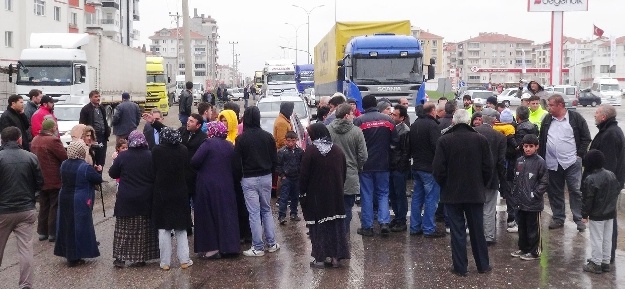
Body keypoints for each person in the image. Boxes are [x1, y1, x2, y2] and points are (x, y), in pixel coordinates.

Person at [432, 109, 493, 276]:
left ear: (453, 121)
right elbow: (488, 167)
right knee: (477, 230)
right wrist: (482, 184)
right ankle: (483, 264)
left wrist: (445, 184)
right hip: (474, 192)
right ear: (468, 122)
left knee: (457, 231)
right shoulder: (481, 139)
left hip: (452, 193)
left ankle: (460, 267)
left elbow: (438, 170)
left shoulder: (444, 141)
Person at [538, 94, 591, 231]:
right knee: (554, 191)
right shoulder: (547, 119)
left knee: (575, 190)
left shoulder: (575, 118)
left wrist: (579, 155)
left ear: (560, 105)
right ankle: (558, 217)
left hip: (572, 162)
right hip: (552, 163)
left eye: (551, 105)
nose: (548, 108)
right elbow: (542, 138)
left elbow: (586, 138)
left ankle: (578, 219)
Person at [300, 123, 349, 268]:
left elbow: (304, 176)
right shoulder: (338, 150)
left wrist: (302, 193)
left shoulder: (310, 152)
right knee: (335, 226)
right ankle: (335, 258)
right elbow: (343, 173)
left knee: (318, 227)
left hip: (316, 198)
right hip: (335, 196)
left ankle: (320, 259)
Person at [108, 131, 159, 268]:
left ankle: (120, 258)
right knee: (142, 230)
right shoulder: (150, 156)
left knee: (124, 231)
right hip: (145, 198)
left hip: (126, 198)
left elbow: (112, 173)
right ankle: (140, 258)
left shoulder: (123, 156)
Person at [0, 127, 43, 289]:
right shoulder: (31, 157)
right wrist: (33, 198)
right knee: (25, 249)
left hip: (3, 210)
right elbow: (40, 182)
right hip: (26, 209)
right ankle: (26, 285)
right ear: (19, 139)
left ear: (2, 140)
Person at [191, 122, 241, 259]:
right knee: (226, 215)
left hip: (208, 185)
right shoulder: (229, 145)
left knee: (208, 215)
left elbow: (195, 161)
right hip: (227, 184)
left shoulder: (208, 143)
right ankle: (230, 247)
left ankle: (211, 248)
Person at [235, 106, 280, 257]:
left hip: (248, 178)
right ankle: (272, 243)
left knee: (254, 213)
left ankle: (258, 246)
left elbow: (236, 162)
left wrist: (238, 176)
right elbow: (275, 159)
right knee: (266, 210)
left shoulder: (241, 139)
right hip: (266, 176)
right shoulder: (268, 137)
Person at [353, 95, 398, 237]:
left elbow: (355, 143)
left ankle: (368, 226)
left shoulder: (359, 121)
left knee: (367, 194)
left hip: (365, 164)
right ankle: (384, 222)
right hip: (383, 163)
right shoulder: (388, 120)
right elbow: (395, 142)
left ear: (364, 106)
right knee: (383, 193)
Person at [54, 141, 102, 267]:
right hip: (79, 198)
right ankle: (77, 254)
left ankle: (68, 253)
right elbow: (97, 179)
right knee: (80, 226)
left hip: (64, 196)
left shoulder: (64, 164)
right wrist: (97, 170)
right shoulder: (84, 166)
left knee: (66, 225)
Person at [151, 127, 192, 270]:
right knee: (181, 228)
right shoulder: (183, 150)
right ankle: (184, 260)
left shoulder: (156, 151)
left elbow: (153, 170)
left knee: (163, 228)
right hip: (180, 191)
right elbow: (187, 169)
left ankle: (165, 262)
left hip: (162, 191)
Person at [588, 104, 625, 264]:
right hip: (610, 184)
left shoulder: (610, 134)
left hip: (606, 187)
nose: (594, 115)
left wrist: (599, 186)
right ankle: (604, 256)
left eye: (596, 113)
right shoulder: (609, 131)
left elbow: (608, 163)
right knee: (607, 220)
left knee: (606, 221)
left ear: (603, 117)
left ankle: (605, 257)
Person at [327, 104, 367, 233]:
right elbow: (363, 155)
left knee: (332, 207)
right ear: (346, 116)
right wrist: (358, 167)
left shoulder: (327, 130)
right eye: (352, 113)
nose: (354, 116)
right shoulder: (356, 131)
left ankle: (333, 232)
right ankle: (344, 234)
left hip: (331, 175)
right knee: (347, 207)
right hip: (350, 174)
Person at [581, 149, 621, 274]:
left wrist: (584, 214)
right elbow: (616, 190)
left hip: (597, 215)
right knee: (607, 238)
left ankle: (596, 263)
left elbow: (588, 199)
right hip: (610, 213)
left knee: (596, 238)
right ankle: (605, 261)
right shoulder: (611, 175)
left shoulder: (590, 179)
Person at [510, 134, 548, 261]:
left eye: (531, 146)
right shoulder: (520, 160)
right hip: (520, 201)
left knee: (533, 227)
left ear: (536, 147)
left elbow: (544, 181)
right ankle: (524, 248)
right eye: (525, 146)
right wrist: (514, 193)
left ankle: (535, 251)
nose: (528, 149)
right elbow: (516, 179)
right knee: (522, 226)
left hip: (533, 203)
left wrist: (535, 194)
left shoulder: (540, 162)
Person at [409, 102, 444, 238]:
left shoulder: (415, 124)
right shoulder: (433, 125)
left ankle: (414, 227)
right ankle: (429, 228)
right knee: (431, 198)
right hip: (429, 168)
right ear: (433, 111)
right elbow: (437, 147)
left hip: (416, 166)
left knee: (417, 197)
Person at [30, 119, 67, 242]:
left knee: (43, 205)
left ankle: (42, 232)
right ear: (51, 128)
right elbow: (64, 156)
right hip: (53, 177)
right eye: (55, 127)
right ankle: (53, 232)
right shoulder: (53, 140)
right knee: (54, 205)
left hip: (39, 178)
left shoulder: (35, 140)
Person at [474, 108, 506, 246]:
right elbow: (501, 161)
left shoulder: (473, 133)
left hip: (474, 176)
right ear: (494, 121)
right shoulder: (500, 137)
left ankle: (476, 233)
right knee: (489, 207)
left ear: (481, 119)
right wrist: (501, 177)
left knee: (475, 207)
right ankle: (488, 236)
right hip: (492, 177)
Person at [389, 104, 410, 232]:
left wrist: (400, 166)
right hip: (391, 166)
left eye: (394, 115)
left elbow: (405, 152)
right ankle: (397, 217)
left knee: (400, 194)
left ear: (402, 118)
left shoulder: (405, 131)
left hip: (398, 168)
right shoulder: (392, 128)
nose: (392, 116)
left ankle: (402, 219)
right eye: (392, 114)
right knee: (393, 194)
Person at [276, 131, 304, 225]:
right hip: (286, 178)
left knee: (295, 196)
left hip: (296, 178)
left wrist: (300, 175)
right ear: (285, 141)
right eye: (288, 141)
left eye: (293, 141)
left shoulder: (300, 151)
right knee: (284, 197)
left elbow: (302, 164)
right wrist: (282, 175)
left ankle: (294, 213)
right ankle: (282, 216)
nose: (290, 143)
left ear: (296, 140)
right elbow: (278, 165)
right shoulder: (282, 152)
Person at [79, 90, 111, 168]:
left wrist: (107, 132)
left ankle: (99, 177)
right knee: (92, 158)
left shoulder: (101, 108)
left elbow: (104, 121)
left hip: (102, 137)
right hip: (92, 137)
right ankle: (92, 176)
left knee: (101, 158)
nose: (98, 98)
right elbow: (82, 124)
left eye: (99, 96)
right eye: (96, 97)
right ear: (90, 98)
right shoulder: (86, 109)